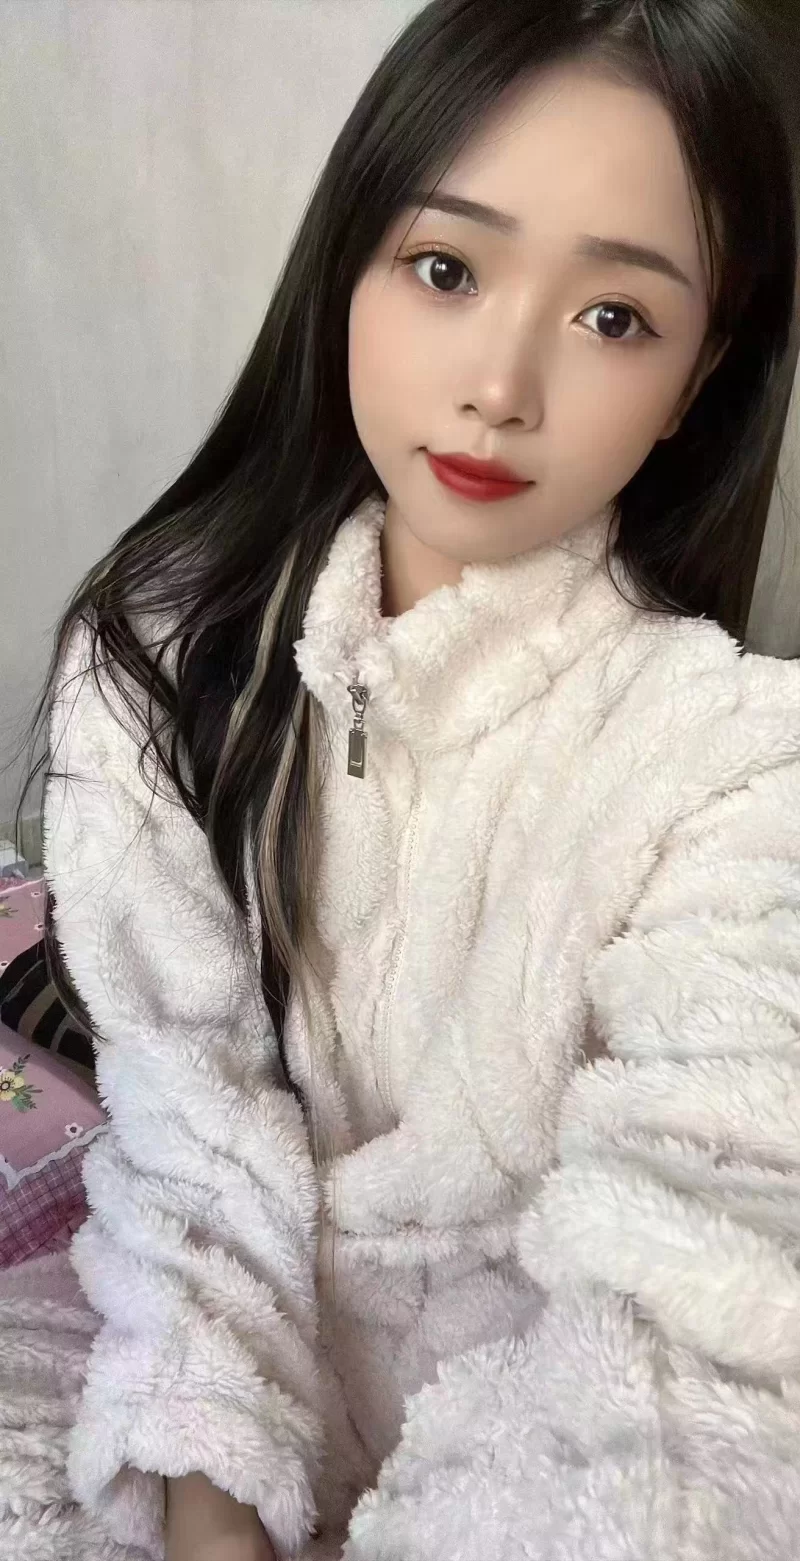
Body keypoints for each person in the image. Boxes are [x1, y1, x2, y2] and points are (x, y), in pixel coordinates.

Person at [7, 0, 800, 1556]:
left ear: (698, 377)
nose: (501, 384)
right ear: (349, 266)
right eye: (446, 269)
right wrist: (212, 1510)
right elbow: (185, 1127)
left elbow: (696, 1318)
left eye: (615, 317)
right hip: (189, 1402)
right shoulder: (159, 657)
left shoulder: (739, 765)